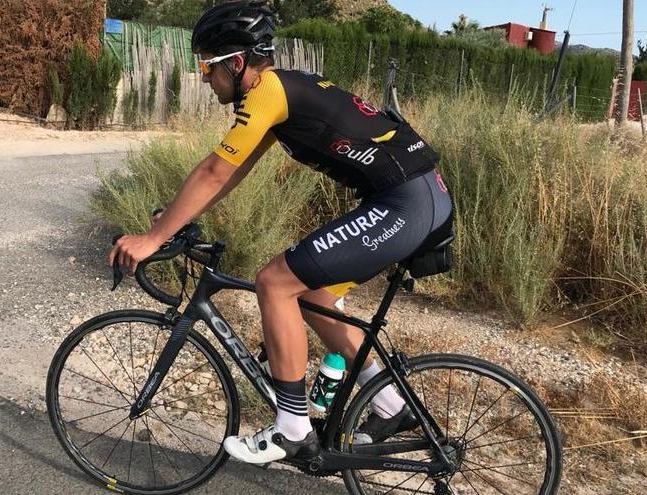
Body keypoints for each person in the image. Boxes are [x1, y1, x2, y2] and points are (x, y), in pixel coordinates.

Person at [108, 0, 453, 465]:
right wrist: (172, 217)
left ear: (235, 63)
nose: (204, 77)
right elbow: (231, 171)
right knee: (312, 295)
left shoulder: (269, 91)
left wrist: (151, 240)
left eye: (207, 66)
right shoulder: (281, 93)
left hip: (406, 202)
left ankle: (292, 429)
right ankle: (390, 402)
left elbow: (213, 172)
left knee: (275, 281)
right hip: (417, 196)